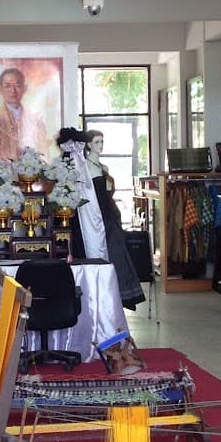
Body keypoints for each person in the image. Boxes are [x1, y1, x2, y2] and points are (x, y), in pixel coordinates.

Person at [81, 130, 145, 312]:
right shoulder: (87, 168)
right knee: (111, 254)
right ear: (88, 145)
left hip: (111, 216)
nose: (101, 145)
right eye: (97, 142)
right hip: (100, 218)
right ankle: (111, 295)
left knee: (118, 254)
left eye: (102, 141)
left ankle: (121, 295)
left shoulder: (102, 167)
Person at [0, 67, 50, 163]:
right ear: (0, 89)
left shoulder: (35, 119)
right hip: (2, 174)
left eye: (18, 85)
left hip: (30, 175)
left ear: (25, 88)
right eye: (7, 85)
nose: (13, 90)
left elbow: (43, 151)